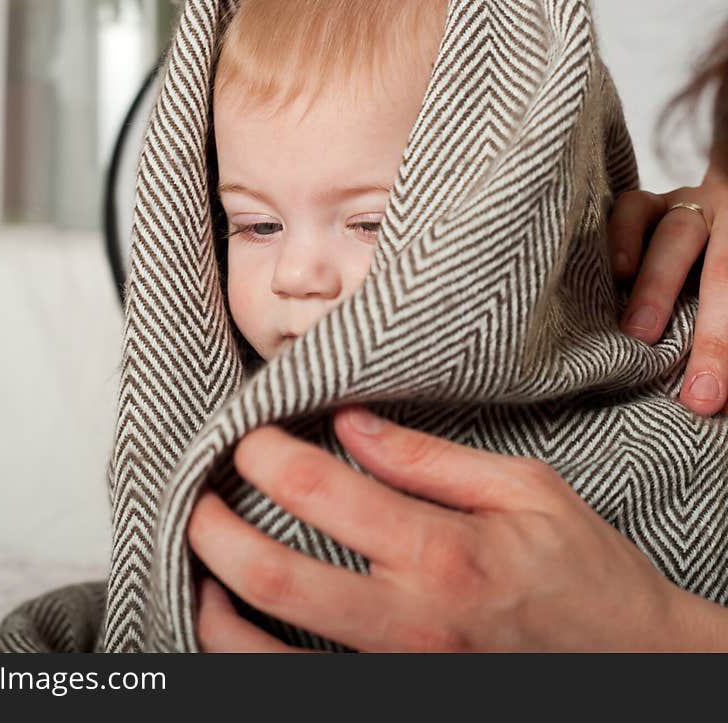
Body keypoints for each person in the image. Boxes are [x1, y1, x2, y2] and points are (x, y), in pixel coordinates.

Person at [187, 16, 728, 652]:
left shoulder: (666, 436)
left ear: (522, 219)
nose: (296, 275)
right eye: (256, 226)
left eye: (369, 223)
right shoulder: (218, 419)